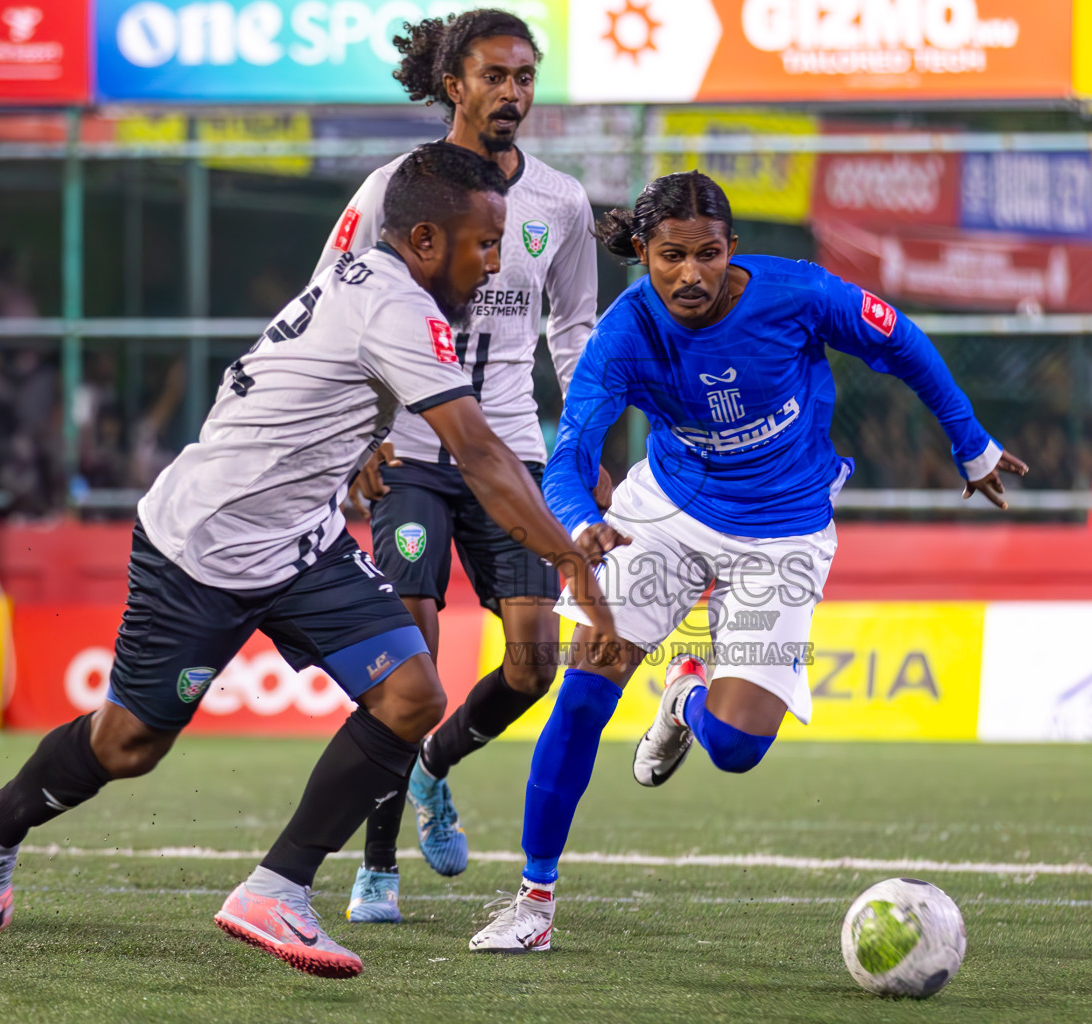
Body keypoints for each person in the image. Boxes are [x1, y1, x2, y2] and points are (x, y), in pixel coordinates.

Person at [0, 143, 616, 979]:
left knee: (412, 696)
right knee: (129, 746)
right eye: (484, 243)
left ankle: (277, 889)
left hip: (300, 540)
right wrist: (572, 555)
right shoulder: (397, 308)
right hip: (207, 545)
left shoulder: (383, 282)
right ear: (426, 243)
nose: (496, 262)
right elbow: (479, 453)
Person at [467, 171, 1027, 953]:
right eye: (670, 257)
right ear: (642, 252)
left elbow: (900, 341)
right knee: (586, 682)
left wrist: (970, 443)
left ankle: (683, 701)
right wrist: (581, 521)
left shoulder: (799, 294)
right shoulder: (624, 335)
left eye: (708, 254)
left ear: (733, 250)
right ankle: (533, 900)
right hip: (663, 516)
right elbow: (568, 458)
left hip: (784, 530)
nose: (690, 274)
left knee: (734, 749)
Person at [312, 8, 606, 919]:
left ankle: (439, 766)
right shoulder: (393, 188)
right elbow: (329, 301)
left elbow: (577, 332)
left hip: (510, 449)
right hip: (413, 451)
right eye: (495, 75)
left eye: (525, 76)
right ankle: (377, 867)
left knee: (532, 664)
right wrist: (355, 436)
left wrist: (583, 448)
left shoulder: (557, 203)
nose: (512, 92)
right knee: (411, 662)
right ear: (455, 84)